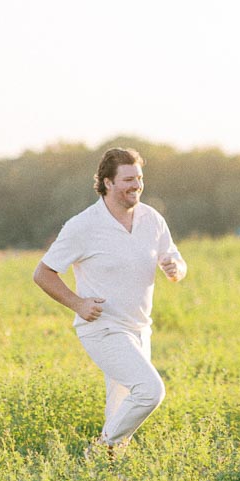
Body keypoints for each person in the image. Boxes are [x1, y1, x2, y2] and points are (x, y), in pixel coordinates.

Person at [33, 146, 186, 457]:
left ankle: (105, 472)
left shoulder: (151, 219)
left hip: (140, 328)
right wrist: (77, 303)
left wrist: (175, 269)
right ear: (107, 182)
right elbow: (43, 273)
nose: (137, 186)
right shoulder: (83, 226)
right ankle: (99, 452)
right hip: (102, 328)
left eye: (140, 178)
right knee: (149, 391)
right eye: (128, 179)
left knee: (120, 410)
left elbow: (175, 259)